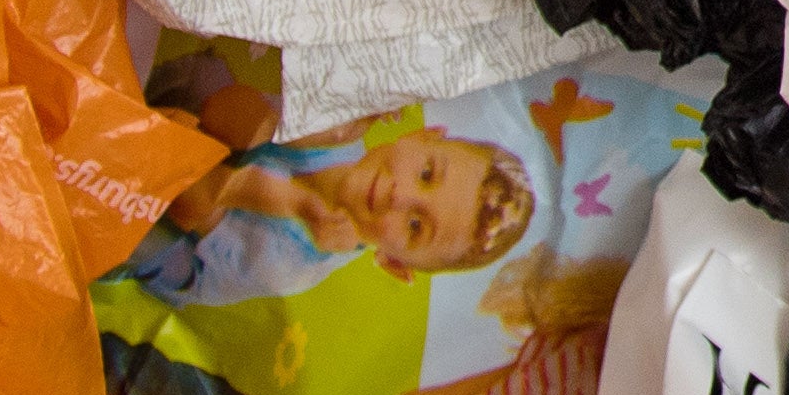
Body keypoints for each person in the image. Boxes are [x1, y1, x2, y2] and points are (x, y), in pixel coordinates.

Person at [128, 122, 536, 308]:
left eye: (415, 226)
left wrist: (294, 203)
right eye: (426, 173)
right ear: (423, 135)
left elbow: (192, 195)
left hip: (179, 245)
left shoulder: (290, 263)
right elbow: (227, 110)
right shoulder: (341, 134)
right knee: (228, 104)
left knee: (144, 225)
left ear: (393, 263)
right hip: (205, 160)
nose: (401, 194)